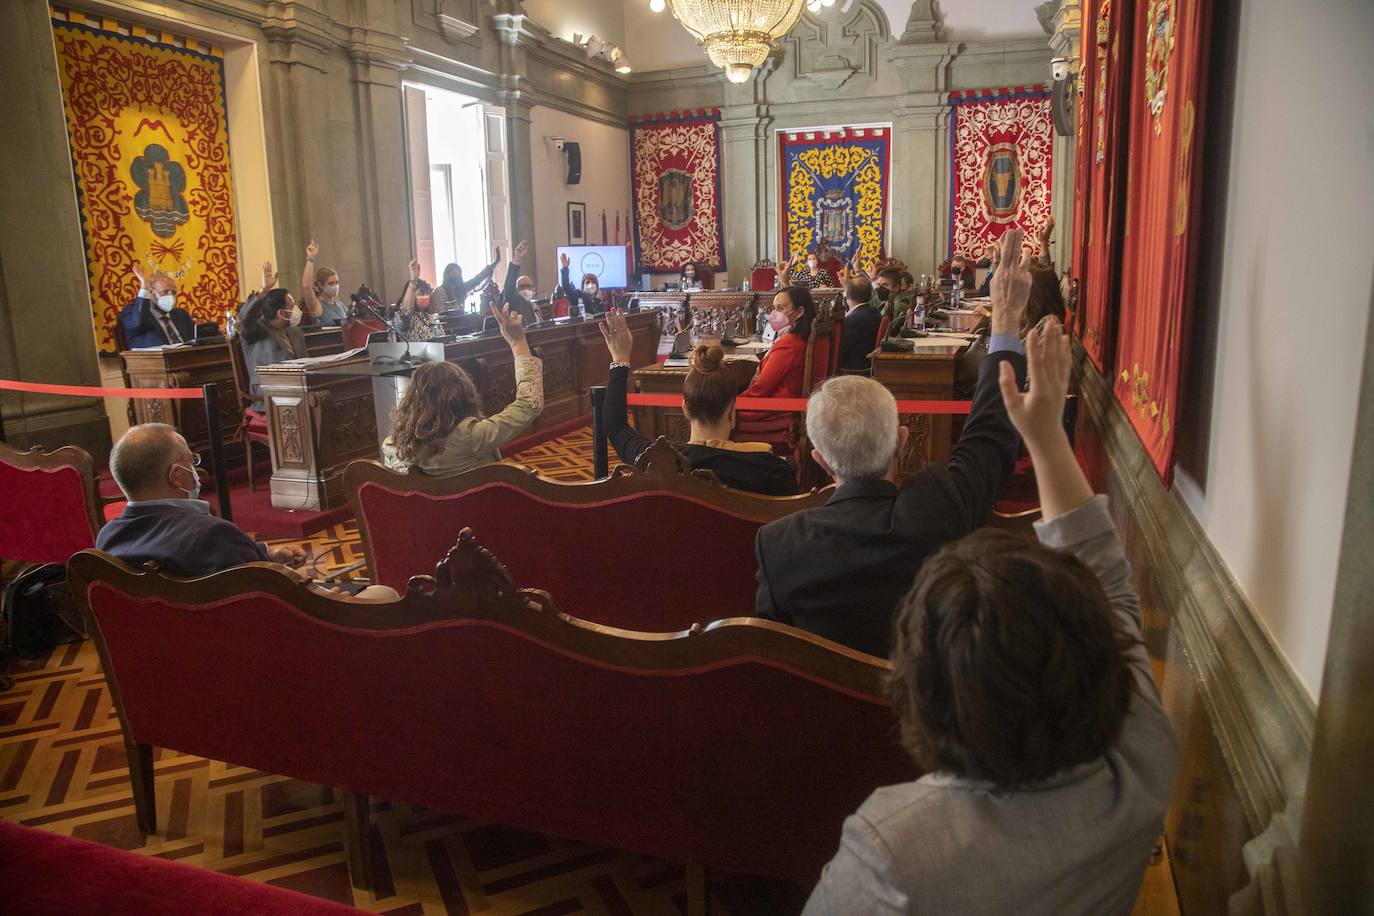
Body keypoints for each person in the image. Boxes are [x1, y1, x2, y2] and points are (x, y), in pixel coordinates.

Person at [802, 318, 1177, 915]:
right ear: (1092, 657)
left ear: (926, 699)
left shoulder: (894, 849)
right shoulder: (1140, 765)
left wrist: (1045, 431)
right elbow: (1112, 586)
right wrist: (1047, 436)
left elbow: (1108, 586)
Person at [753, 229, 1034, 658]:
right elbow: (990, 436)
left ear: (820, 461)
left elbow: (776, 659)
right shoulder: (938, 510)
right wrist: (1007, 321)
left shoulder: (779, 545)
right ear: (902, 442)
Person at [99, 424, 397, 598]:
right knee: (384, 595)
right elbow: (278, 605)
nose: (197, 470)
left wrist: (263, 555)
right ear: (177, 476)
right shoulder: (211, 534)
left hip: (179, 654)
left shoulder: (107, 540)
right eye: (193, 461)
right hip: (265, 647)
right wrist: (329, 596)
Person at [599, 309, 797, 496]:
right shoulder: (774, 471)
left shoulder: (654, 460)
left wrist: (620, 357)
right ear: (732, 413)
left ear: (685, 409)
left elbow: (615, 426)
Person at [381, 301, 544, 475]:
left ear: (411, 399)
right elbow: (529, 403)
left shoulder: (390, 446)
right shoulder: (471, 437)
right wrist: (518, 343)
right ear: (463, 394)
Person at [741, 285, 817, 403]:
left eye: (780, 308)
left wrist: (731, 406)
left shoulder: (789, 344)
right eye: (774, 308)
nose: (774, 314)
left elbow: (760, 389)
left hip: (774, 408)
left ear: (799, 312)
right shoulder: (800, 337)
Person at [238, 287, 306, 411]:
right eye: (291, 306)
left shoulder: (296, 332)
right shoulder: (256, 331)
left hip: (298, 390)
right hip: (268, 397)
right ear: (281, 313)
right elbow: (245, 319)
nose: (296, 310)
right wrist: (264, 291)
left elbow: (306, 363)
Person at [120, 262, 195, 348]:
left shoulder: (181, 315)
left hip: (186, 357)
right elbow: (137, 324)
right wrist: (144, 286)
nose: (170, 295)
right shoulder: (132, 311)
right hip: (154, 360)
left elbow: (195, 340)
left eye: (173, 292)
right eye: (165, 291)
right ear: (151, 292)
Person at [836, 273, 882, 372]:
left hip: (853, 370)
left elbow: (841, 353)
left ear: (848, 294)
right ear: (870, 295)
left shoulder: (853, 320)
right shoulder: (874, 312)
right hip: (869, 366)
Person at [300, 239, 349, 325]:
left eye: (337, 282)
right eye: (331, 283)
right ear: (321, 285)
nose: (335, 286)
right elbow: (307, 287)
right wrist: (310, 258)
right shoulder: (317, 306)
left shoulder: (341, 305)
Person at [394, 258, 444, 341]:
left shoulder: (429, 317)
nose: (425, 296)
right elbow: (405, 311)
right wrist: (413, 281)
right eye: (421, 293)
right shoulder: (404, 318)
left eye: (427, 293)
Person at [435, 248, 500, 312]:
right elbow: (439, 313)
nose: (456, 276)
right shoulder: (440, 291)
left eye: (459, 274)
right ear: (447, 275)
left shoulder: (462, 288)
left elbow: (478, 279)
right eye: (454, 273)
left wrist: (496, 262)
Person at [494, 240, 537, 326]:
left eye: (529, 286)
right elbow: (509, 285)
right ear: (516, 290)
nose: (526, 289)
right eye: (522, 286)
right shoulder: (512, 301)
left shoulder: (532, 306)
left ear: (533, 290)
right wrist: (517, 258)